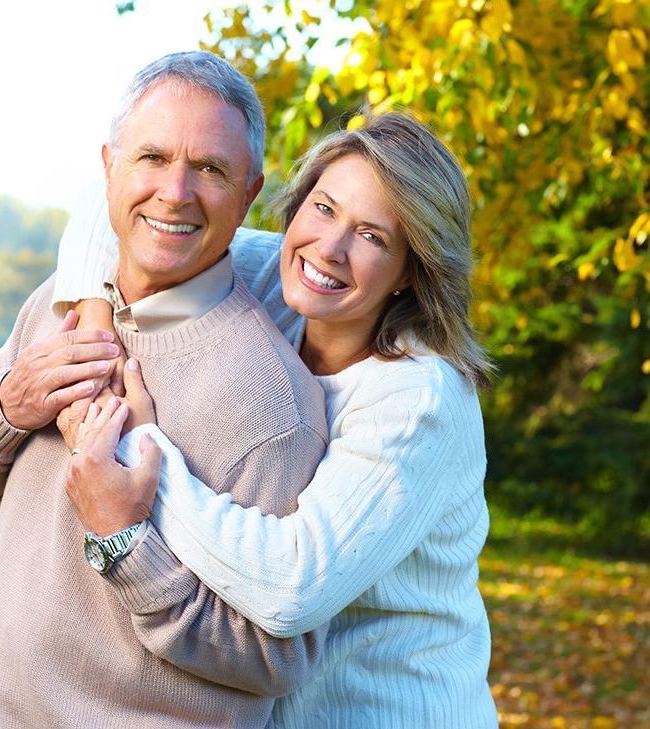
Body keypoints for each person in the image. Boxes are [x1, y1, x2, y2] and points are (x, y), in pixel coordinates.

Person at [0, 51, 330, 729]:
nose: (175, 192)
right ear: (109, 167)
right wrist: (11, 402)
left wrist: (125, 542)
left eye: (210, 169)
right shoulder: (59, 303)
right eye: (152, 158)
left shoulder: (272, 404)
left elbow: (275, 658)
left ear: (249, 193)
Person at [55, 111, 500, 728]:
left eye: (372, 236)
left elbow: (291, 589)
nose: (330, 249)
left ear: (411, 269)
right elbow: (106, 204)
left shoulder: (418, 398)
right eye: (324, 208)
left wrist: (140, 450)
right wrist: (97, 328)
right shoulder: (275, 276)